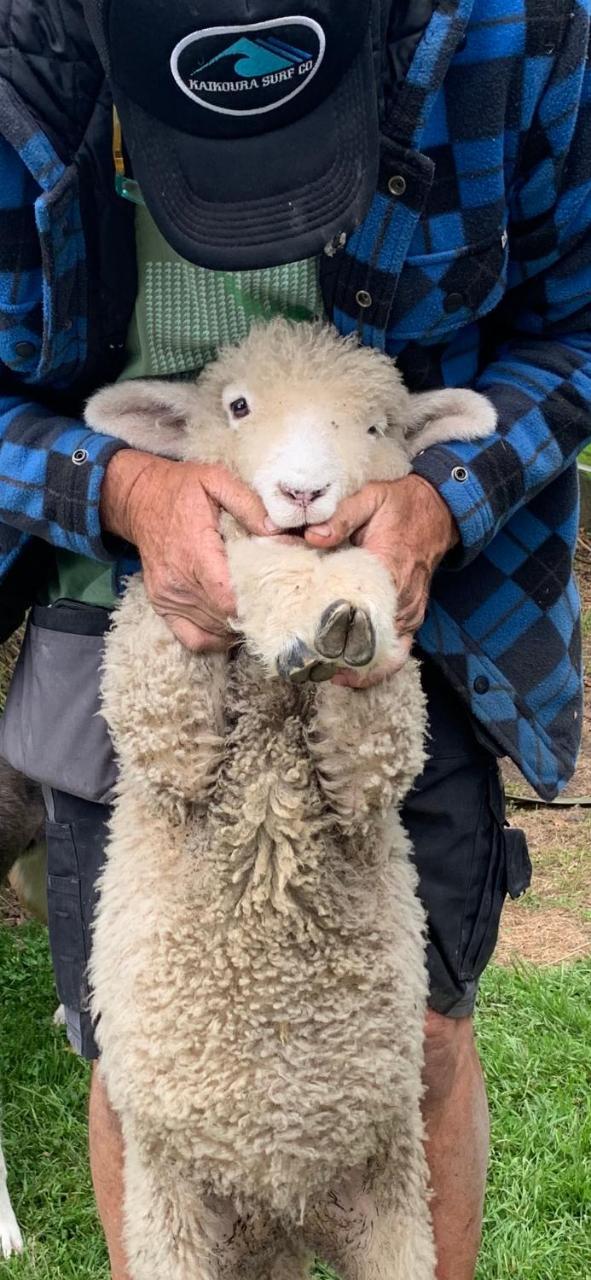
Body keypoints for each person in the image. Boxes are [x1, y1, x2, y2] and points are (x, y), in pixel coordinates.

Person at [0, 1, 590, 1276]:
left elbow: (578, 324)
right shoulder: (18, 43)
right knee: (137, 1049)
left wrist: (441, 500)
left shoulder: (517, 26)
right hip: (131, 623)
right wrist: (119, 489)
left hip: (406, 624)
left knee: (419, 1037)